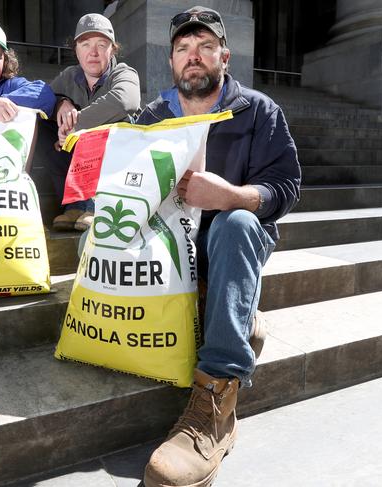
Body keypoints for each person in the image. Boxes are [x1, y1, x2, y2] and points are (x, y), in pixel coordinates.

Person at [135, 6, 301, 487]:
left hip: (230, 239)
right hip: (171, 243)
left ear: (224, 57)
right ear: (171, 61)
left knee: (236, 225)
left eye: (206, 47)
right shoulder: (153, 115)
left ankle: (216, 400)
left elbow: (286, 186)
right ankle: (233, 310)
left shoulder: (259, 110)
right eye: (184, 48)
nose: (195, 56)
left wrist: (231, 196)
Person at [46, 13, 141, 231]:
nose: (93, 52)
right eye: (85, 44)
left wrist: (74, 126)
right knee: (44, 125)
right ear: (76, 50)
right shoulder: (69, 76)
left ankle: (98, 208)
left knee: (118, 123)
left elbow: (126, 100)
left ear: (112, 49)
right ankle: (75, 206)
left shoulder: (124, 73)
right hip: (79, 161)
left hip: (119, 162)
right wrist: (61, 103)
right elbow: (42, 98)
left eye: (102, 44)